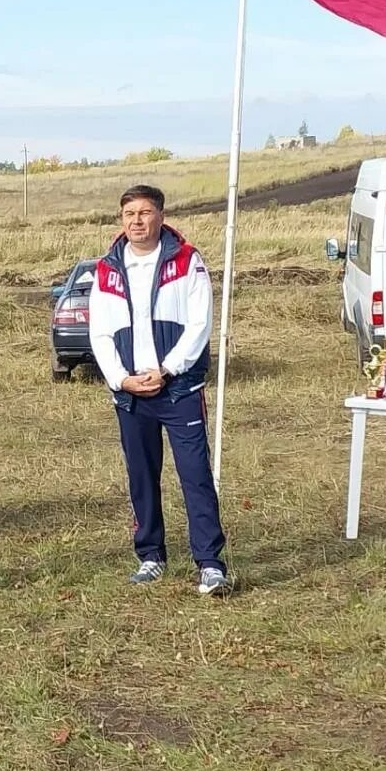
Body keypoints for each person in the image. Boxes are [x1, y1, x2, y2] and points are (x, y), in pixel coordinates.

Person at [88, 185, 231, 596]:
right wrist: (120, 378)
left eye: (145, 212)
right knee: (141, 477)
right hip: (131, 393)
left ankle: (209, 563)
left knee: (195, 475)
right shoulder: (106, 269)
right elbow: (98, 333)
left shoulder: (186, 261)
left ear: (161, 216)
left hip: (179, 388)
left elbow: (200, 324)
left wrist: (167, 370)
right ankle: (150, 556)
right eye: (129, 213)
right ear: (121, 219)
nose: (137, 221)